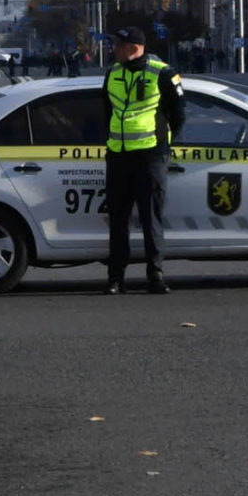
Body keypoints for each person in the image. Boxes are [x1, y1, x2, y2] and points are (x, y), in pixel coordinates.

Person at [101, 26, 183, 295]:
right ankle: (116, 277)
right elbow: (106, 110)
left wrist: (165, 145)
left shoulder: (163, 73)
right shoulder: (112, 72)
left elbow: (179, 113)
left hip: (150, 156)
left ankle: (155, 274)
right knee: (118, 219)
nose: (114, 49)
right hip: (119, 156)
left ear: (134, 48)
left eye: (119, 45)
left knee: (151, 218)